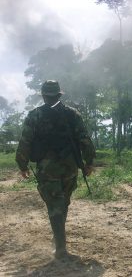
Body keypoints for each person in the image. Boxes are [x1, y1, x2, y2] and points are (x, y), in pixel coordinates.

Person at [15, 80, 96, 259]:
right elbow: (85, 140)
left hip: (47, 168)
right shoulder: (72, 115)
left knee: (54, 204)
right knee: (63, 202)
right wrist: (88, 162)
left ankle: (60, 247)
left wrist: (22, 165)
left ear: (43, 96)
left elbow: (25, 142)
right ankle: (60, 242)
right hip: (70, 167)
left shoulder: (34, 116)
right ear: (59, 95)